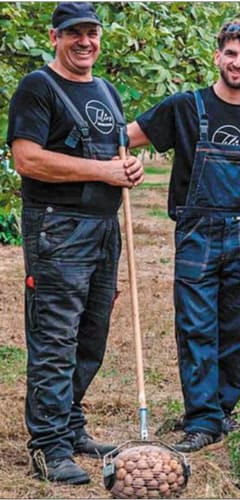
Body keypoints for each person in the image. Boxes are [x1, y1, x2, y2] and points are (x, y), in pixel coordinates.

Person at [127, 19, 240, 453]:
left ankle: (223, 408)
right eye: (231, 54)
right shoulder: (183, 106)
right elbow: (128, 138)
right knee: (196, 326)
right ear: (217, 56)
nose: (238, 63)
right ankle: (201, 420)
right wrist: (116, 163)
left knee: (232, 328)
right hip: (197, 230)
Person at [7, 2, 144, 484]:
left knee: (91, 335)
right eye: (74, 34)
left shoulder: (106, 91)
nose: (85, 41)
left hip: (104, 230)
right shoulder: (37, 88)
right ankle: (47, 446)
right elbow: (27, 159)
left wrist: (128, 168)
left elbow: (116, 155)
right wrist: (102, 171)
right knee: (55, 339)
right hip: (58, 230)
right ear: (54, 37)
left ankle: (69, 425)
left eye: (92, 33)